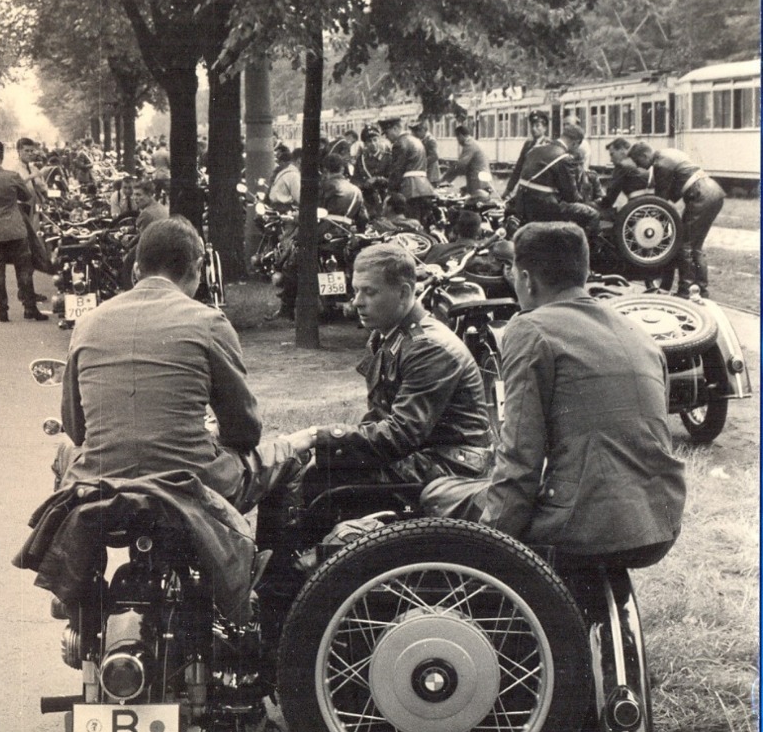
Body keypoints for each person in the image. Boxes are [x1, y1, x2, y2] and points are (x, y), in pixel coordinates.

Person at [423, 222, 686, 568]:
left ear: (527, 279)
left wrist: (489, 551)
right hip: (660, 520)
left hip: (587, 527)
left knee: (439, 493)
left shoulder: (530, 328)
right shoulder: (635, 330)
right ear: (585, 271)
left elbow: (521, 457)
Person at [58, 217, 305, 507]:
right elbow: (244, 430)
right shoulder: (209, 322)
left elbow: (75, 429)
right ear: (198, 267)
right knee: (287, 456)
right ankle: (262, 552)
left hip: (100, 485)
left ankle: (76, 548)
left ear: (137, 270)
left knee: (62, 455)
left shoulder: (87, 323)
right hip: (194, 483)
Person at [288, 242, 491, 496]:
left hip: (452, 462)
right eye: (356, 291)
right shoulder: (385, 335)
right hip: (422, 451)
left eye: (369, 292)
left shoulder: (428, 347)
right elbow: (381, 417)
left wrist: (319, 436)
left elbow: (400, 434)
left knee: (321, 480)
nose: (357, 302)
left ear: (404, 293)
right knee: (302, 469)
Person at [628, 142, 725, 298]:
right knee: (696, 246)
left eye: (638, 162)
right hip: (713, 192)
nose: (639, 166)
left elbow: (662, 201)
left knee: (684, 244)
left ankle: (685, 290)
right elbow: (674, 194)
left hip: (701, 195)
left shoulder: (660, 164)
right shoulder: (668, 154)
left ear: (644, 155)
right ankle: (701, 289)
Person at [0, 140, 48, 323]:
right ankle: (30, 309)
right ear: (2, 154)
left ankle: (2, 311)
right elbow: (26, 196)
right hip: (15, 229)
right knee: (24, 269)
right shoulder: (13, 176)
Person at [511, 123, 600, 240]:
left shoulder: (535, 150)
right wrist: (585, 201)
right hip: (544, 207)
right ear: (575, 142)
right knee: (592, 214)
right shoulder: (563, 158)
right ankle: (583, 252)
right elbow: (571, 197)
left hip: (522, 202)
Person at [380, 117, 435, 224]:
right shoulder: (417, 140)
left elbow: (397, 171)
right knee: (422, 223)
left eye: (387, 133)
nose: (387, 137)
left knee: (409, 223)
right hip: (425, 188)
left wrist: (390, 193)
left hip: (409, 189)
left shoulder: (399, 143)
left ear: (395, 128)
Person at [503, 110, 551, 199]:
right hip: (525, 189)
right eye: (532, 125)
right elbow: (518, 168)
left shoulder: (549, 145)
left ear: (545, 128)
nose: (534, 129)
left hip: (539, 192)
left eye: (537, 126)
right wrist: (509, 189)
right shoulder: (528, 145)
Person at [595, 138, 651, 211]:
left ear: (622, 150)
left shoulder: (623, 166)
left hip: (637, 205)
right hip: (646, 202)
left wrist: (599, 205)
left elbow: (612, 193)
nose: (611, 160)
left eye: (612, 154)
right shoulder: (635, 163)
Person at [319, 152, 368, 228]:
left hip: (324, 230)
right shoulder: (357, 190)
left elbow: (315, 210)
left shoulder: (326, 185)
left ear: (325, 170)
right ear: (342, 169)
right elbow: (363, 218)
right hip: (346, 232)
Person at [443, 125, 494, 195]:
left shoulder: (469, 145)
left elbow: (461, 165)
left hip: (478, 182)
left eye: (457, 138)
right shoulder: (475, 143)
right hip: (483, 180)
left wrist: (444, 180)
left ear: (460, 135)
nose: (458, 141)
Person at [409, 120, 441, 184]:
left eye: (416, 132)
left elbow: (434, 156)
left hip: (431, 175)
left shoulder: (430, 140)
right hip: (425, 173)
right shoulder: (422, 139)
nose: (415, 134)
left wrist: (421, 162)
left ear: (422, 130)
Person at [151, 135, 171, 202]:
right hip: (165, 175)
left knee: (157, 194)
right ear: (166, 145)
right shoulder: (167, 154)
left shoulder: (154, 154)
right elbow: (169, 164)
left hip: (156, 175)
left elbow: (153, 164)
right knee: (169, 193)